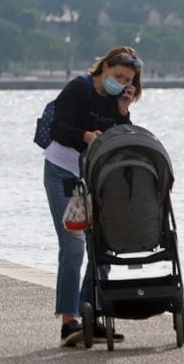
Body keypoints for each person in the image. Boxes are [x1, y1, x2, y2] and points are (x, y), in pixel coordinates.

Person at [43, 45, 142, 347]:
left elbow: (122, 140)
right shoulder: (79, 88)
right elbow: (58, 127)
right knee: (73, 245)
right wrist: (84, 136)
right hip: (65, 173)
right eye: (118, 75)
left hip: (96, 178)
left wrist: (123, 112)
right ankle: (68, 322)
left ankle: (91, 315)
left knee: (102, 247)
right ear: (104, 69)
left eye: (128, 80)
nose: (122, 83)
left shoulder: (118, 101)